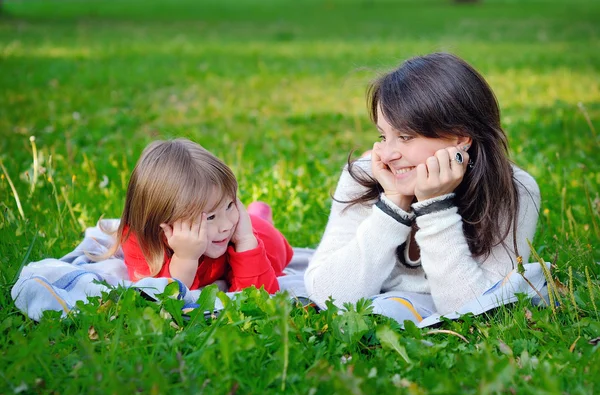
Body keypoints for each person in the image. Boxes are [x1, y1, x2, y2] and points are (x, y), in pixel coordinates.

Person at [304, 53, 541, 323]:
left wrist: (436, 208)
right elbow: (329, 296)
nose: (388, 153)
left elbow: (473, 309)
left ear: (460, 139)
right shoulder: (365, 173)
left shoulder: (513, 192)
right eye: (383, 136)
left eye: (405, 137)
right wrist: (393, 205)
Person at [113, 138, 293, 293]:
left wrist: (245, 239)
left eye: (230, 205)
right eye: (210, 217)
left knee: (260, 230)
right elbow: (164, 296)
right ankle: (257, 213)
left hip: (264, 238)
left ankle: (259, 217)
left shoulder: (236, 235)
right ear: (162, 221)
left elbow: (259, 295)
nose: (225, 225)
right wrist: (185, 258)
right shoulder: (140, 240)